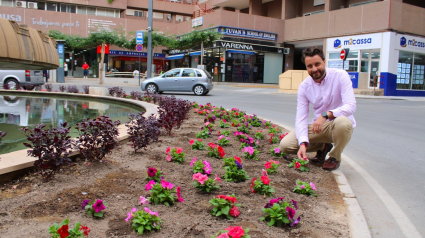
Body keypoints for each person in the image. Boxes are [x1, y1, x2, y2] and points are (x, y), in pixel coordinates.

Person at [279, 46, 356, 171]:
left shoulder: (340, 76)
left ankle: (334, 157)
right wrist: (303, 143)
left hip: (336, 125)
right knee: (285, 145)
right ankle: (323, 146)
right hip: (318, 127)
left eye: (317, 64)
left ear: (324, 62)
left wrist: (326, 115)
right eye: (310, 66)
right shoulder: (304, 87)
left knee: (343, 123)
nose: (314, 69)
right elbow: (301, 117)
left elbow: (351, 106)